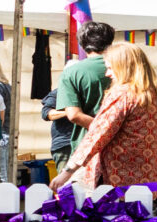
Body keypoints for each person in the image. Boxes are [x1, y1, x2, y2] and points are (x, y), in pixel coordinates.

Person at [66, 42, 157, 191]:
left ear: (124, 67)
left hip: (117, 182)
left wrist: (69, 170)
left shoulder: (124, 93)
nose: (107, 74)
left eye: (110, 68)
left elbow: (99, 133)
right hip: (151, 180)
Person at [48, 21, 117, 179]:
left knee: (86, 199)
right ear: (111, 41)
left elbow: (73, 115)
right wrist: (113, 131)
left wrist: (102, 130)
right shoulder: (128, 67)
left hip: (86, 147)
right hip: (124, 147)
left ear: (82, 43)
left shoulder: (72, 72)